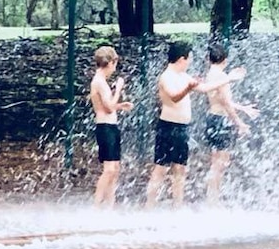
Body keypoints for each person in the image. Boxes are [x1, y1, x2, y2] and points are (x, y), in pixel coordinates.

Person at [146, 40, 246, 209]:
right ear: (181, 59)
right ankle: (149, 208)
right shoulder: (167, 76)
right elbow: (174, 97)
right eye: (189, 58)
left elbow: (206, 88)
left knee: (180, 170)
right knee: (161, 169)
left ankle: (177, 208)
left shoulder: (184, 76)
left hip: (182, 128)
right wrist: (188, 89)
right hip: (168, 127)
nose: (191, 61)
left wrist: (228, 78)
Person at [203, 43, 259, 205]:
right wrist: (239, 122)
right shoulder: (221, 77)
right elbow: (226, 104)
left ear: (209, 59)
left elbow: (222, 101)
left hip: (212, 118)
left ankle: (211, 199)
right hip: (221, 120)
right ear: (225, 60)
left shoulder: (211, 74)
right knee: (221, 164)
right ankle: (213, 201)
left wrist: (243, 108)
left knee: (216, 163)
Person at [88, 46, 133, 207]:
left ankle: (109, 205)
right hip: (105, 126)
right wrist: (119, 89)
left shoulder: (102, 82)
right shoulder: (99, 82)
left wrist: (121, 106)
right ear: (111, 63)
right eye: (115, 64)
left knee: (114, 168)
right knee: (108, 169)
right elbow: (108, 107)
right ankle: (96, 205)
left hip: (111, 125)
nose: (114, 69)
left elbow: (109, 106)